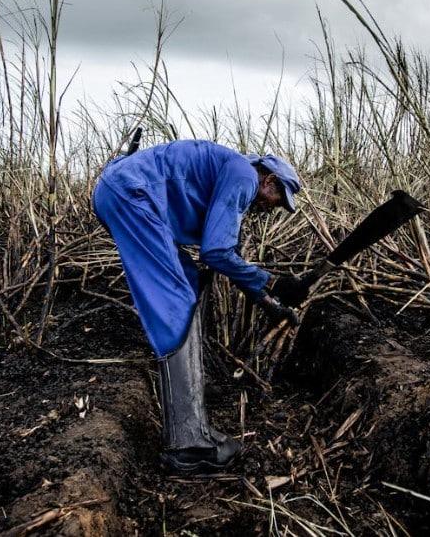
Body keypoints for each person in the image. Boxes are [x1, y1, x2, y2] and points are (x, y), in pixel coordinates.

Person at [92, 139, 311, 473]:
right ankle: (188, 444)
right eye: (279, 199)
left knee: (188, 278)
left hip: (122, 190)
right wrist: (274, 282)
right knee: (175, 297)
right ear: (269, 181)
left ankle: (191, 414)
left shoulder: (231, 171)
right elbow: (217, 253)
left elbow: (218, 254)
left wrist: (269, 302)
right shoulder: (243, 175)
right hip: (132, 194)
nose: (272, 208)